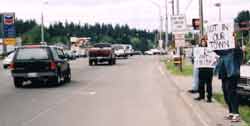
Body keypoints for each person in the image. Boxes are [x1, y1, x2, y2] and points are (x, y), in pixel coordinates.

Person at [214, 39, 243, 122]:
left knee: (232, 93)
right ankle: (231, 112)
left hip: (232, 74)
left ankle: (236, 114)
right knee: (226, 93)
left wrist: (233, 40)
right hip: (224, 75)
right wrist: (211, 43)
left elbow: (239, 53)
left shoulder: (236, 51)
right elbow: (217, 51)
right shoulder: (223, 52)